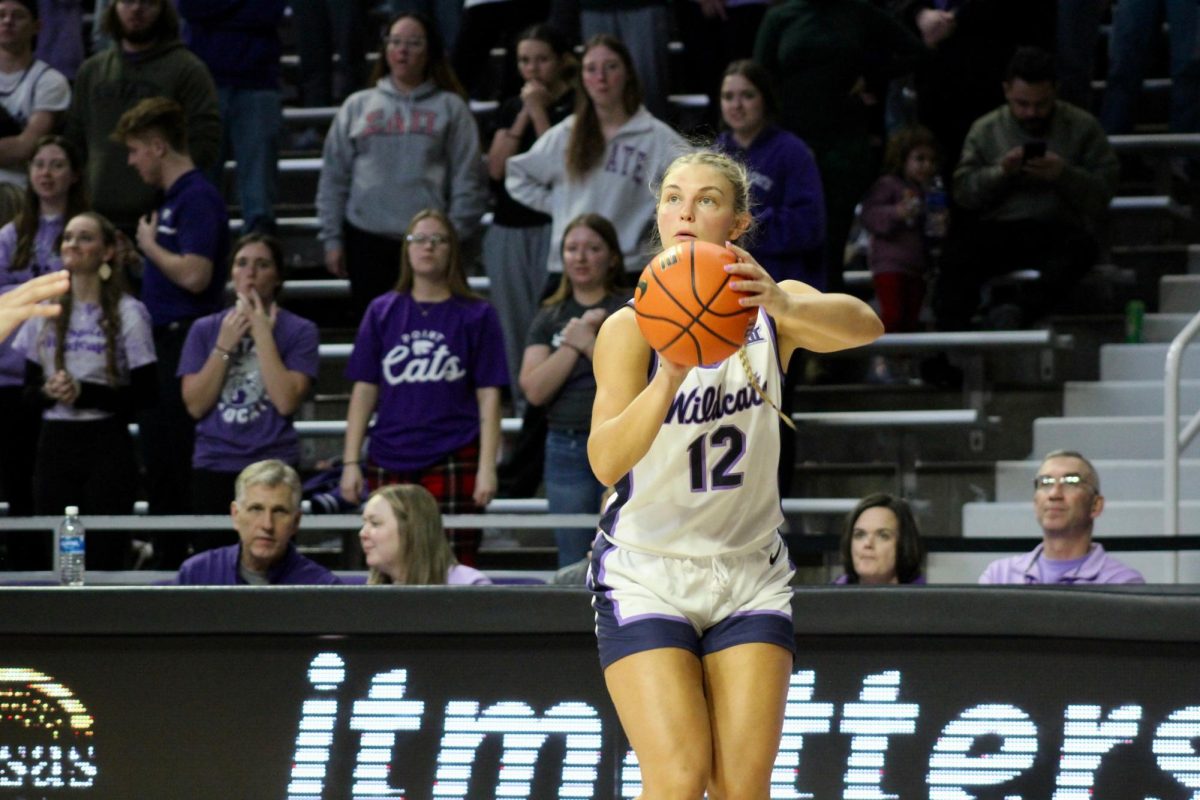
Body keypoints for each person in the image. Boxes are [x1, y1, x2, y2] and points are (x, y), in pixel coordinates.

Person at [587, 150, 883, 797]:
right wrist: (668, 373)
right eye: (672, 197)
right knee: (679, 777)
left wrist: (780, 301)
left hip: (747, 571)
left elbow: (867, 325)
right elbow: (605, 461)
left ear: (739, 223)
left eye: (706, 200)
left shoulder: (774, 309)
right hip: (648, 569)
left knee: (740, 788)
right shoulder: (629, 327)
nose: (686, 210)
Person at [340, 209, 508, 567]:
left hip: (454, 451)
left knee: (452, 561)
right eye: (419, 239)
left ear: (452, 250)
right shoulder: (382, 311)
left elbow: (489, 396)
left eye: (438, 239)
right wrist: (351, 461)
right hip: (389, 453)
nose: (427, 247)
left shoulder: (478, 314)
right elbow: (364, 390)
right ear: (406, 249)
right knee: (388, 561)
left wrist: (487, 466)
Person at [933, 46, 1119, 331]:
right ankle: (949, 341)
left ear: (1055, 91)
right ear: (1006, 91)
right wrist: (1001, 173)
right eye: (1022, 104)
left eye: (1041, 104)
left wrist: (1063, 174)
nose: (1031, 113)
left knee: (1082, 250)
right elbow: (964, 192)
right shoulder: (986, 129)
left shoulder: (1083, 127)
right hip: (1000, 228)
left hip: (1059, 227)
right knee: (957, 254)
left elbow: (1103, 193)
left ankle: (1019, 310)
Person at [316, 12, 488, 316]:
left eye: (413, 43)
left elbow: (468, 180)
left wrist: (453, 238)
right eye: (395, 42)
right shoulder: (357, 105)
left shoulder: (452, 108)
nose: (402, 50)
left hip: (429, 245)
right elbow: (334, 176)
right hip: (366, 238)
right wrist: (332, 238)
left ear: (430, 51)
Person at [14, 212, 156, 568]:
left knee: (105, 555)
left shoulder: (130, 312)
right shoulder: (44, 311)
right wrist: (49, 391)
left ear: (107, 251)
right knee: (60, 559)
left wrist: (85, 393)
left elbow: (146, 394)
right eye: (68, 237)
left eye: (85, 237)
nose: (73, 244)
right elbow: (25, 396)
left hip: (106, 443)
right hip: (56, 442)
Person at [754, 0, 926, 292]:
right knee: (790, 237)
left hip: (843, 145)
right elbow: (759, 77)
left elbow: (915, 51)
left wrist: (871, 77)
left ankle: (829, 327)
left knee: (831, 244)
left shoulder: (859, 12)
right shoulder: (781, 16)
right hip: (792, 143)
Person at [115, 96, 229, 535]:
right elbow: (175, 272)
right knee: (159, 454)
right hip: (163, 338)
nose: (131, 160)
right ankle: (167, 556)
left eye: (135, 149)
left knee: (176, 454)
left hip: (186, 342)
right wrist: (141, 263)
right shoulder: (171, 198)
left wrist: (150, 247)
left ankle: (185, 559)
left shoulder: (197, 197)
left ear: (158, 146)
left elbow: (197, 275)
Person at [506, 34, 687, 285]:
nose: (600, 78)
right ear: (582, 78)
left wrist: (655, 217)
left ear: (627, 74)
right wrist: (561, 206)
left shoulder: (656, 136)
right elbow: (518, 175)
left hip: (630, 267)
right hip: (570, 268)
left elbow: (695, 186)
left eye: (610, 67)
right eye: (591, 69)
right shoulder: (566, 133)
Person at [178, 233, 319, 520]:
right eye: (241, 263)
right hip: (215, 463)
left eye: (262, 264)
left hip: (274, 463)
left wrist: (263, 334)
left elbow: (286, 401)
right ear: (231, 273)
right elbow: (195, 405)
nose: (250, 273)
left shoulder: (300, 330)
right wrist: (224, 346)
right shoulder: (205, 329)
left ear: (278, 277)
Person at [519, 213, 628, 568]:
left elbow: (637, 380)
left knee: (624, 550)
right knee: (571, 558)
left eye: (592, 248)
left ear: (612, 256)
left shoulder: (629, 310)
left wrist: (589, 343)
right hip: (565, 446)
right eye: (572, 249)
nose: (580, 258)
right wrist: (573, 343)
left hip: (623, 443)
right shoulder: (550, 315)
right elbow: (534, 390)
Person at [64, 0, 220, 234]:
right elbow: (74, 141)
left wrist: (172, 191)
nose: (136, 9)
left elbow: (205, 141)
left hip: (163, 219)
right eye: (127, 1)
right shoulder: (92, 71)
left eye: (148, 2)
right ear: (113, 6)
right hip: (96, 219)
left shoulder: (187, 69)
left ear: (163, 9)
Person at [484, 23, 576, 407]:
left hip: (553, 227)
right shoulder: (510, 106)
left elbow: (554, 165)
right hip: (509, 229)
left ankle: (554, 402)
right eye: (525, 60)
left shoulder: (575, 107)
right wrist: (524, 112)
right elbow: (497, 169)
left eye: (541, 59)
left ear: (560, 62)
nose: (532, 69)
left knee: (550, 322)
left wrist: (539, 111)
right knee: (514, 324)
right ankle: (523, 407)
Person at [0, 136, 85, 536]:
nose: (46, 174)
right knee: (17, 477)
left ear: (74, 174)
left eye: (56, 165)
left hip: (70, 373)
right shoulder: (10, 236)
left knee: (56, 486)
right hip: (14, 377)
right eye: (39, 165)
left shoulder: (87, 230)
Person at [178, 0, 288, 235]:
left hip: (258, 80)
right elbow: (192, 9)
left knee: (259, 201)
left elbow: (269, 11)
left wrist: (217, 13)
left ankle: (258, 257)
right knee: (201, 191)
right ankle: (200, 256)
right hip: (204, 83)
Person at [714, 59, 825, 288]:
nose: (736, 105)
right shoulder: (713, 155)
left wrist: (745, 225)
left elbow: (809, 225)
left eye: (747, 95)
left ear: (765, 99)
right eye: (728, 97)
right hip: (725, 285)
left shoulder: (792, 151)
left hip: (783, 284)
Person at [980, 450, 1145, 585]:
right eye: (1045, 482)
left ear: (1096, 505)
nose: (1054, 494)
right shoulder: (999, 576)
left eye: (1070, 481)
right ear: (1035, 502)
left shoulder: (1121, 583)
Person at [175, 459, 340, 585]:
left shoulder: (321, 586)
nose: (267, 524)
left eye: (279, 511)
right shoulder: (197, 575)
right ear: (235, 515)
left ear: (296, 521)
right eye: (256, 509)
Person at [860, 125, 940, 333]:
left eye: (931, 161)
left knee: (911, 321)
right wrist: (897, 213)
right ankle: (886, 359)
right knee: (893, 316)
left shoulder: (930, 192)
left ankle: (905, 363)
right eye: (920, 159)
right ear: (902, 158)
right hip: (890, 265)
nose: (926, 166)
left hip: (917, 267)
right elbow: (870, 215)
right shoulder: (888, 185)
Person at [359, 483, 492, 585]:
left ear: (411, 528)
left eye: (375, 523)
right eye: (364, 523)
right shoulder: (369, 596)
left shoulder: (471, 586)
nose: (362, 533)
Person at [0, 0, 70, 188]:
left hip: (21, 191)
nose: (7, 21)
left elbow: (26, 147)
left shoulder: (50, 81)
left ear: (36, 26)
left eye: (18, 15)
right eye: (1, 15)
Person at [834, 492, 925, 585]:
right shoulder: (827, 598)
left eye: (883, 536)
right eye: (860, 535)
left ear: (904, 545)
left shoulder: (926, 599)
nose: (868, 544)